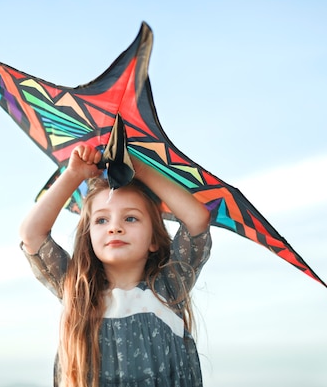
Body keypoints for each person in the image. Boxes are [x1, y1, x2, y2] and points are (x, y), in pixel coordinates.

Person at [19, 144, 212, 387]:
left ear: (153, 239)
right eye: (101, 220)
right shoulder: (78, 291)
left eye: (130, 218)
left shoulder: (169, 288)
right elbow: (32, 234)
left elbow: (198, 220)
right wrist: (73, 175)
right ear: (89, 235)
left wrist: (140, 169)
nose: (114, 227)